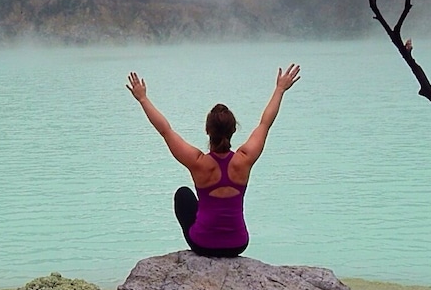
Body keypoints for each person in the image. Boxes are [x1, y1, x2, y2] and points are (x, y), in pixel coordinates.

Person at [126, 64, 301, 257]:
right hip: (238, 244)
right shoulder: (245, 159)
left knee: (183, 195)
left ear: (207, 131)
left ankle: (205, 226)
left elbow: (165, 130)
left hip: (204, 245)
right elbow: (265, 123)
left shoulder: (197, 162)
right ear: (234, 130)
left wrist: (142, 99)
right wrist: (279, 89)